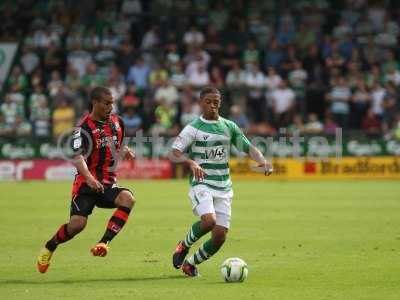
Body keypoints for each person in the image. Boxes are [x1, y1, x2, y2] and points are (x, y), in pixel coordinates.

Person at [170, 87, 273, 277]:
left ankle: (190, 264)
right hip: (202, 183)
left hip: (224, 186)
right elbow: (174, 152)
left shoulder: (229, 126)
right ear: (201, 103)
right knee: (209, 221)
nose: (212, 105)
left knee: (219, 237)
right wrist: (191, 162)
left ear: (220, 102)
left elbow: (248, 147)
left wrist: (262, 161)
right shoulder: (193, 128)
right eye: (208, 101)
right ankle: (183, 245)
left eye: (216, 102)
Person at [37, 87, 136, 273]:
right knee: (77, 225)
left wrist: (125, 150)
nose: (110, 107)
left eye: (112, 103)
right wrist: (89, 178)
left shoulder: (117, 122)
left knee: (128, 199)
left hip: (107, 184)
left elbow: (118, 144)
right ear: (95, 103)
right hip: (85, 185)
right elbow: (77, 156)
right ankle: (50, 246)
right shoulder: (82, 128)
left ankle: (103, 243)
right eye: (107, 103)